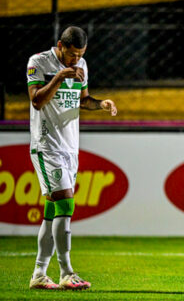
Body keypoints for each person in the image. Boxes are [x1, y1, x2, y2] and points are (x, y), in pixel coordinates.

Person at [27, 26, 117, 290]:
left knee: (52, 211)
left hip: (70, 147)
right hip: (47, 145)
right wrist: (59, 77)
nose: (75, 60)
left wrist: (101, 104)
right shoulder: (39, 62)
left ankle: (39, 274)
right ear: (60, 45)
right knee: (66, 202)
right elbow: (36, 101)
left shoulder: (82, 65)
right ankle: (67, 272)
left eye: (80, 54)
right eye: (71, 54)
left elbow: (83, 99)